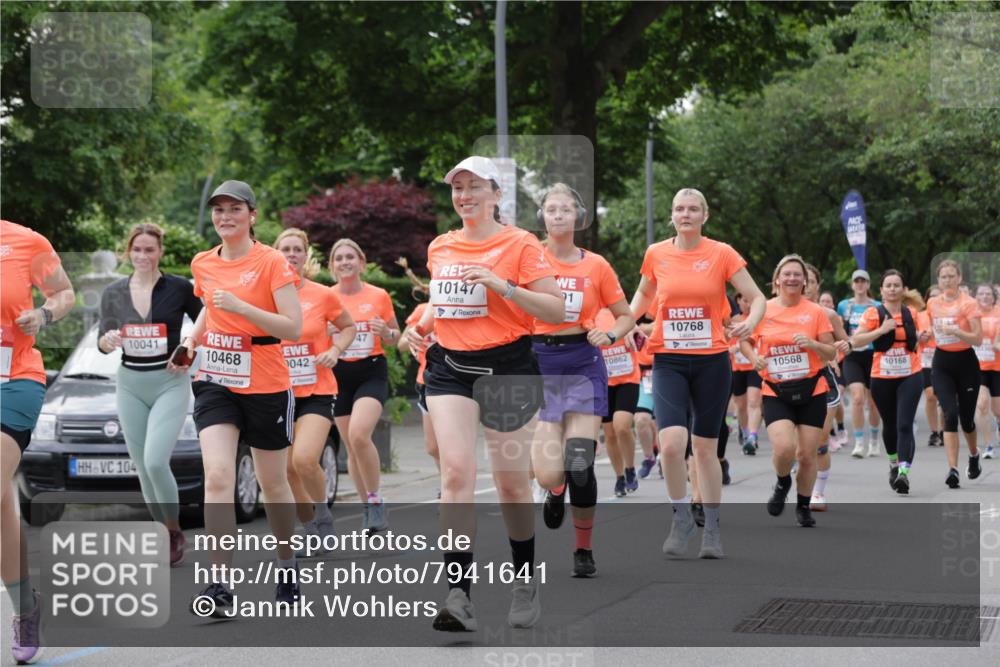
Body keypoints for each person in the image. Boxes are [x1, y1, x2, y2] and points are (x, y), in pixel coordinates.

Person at [402, 156, 563, 631]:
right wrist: (421, 326)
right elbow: (443, 298)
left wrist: (505, 287)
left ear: (496, 194)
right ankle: (458, 595)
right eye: (458, 188)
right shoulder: (441, 246)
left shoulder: (521, 244)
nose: (464, 196)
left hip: (508, 368)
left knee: (511, 482)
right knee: (455, 472)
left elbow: (554, 309)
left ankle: (523, 579)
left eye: (474, 187)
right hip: (449, 367)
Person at [179, 180, 304, 615]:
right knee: (217, 476)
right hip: (216, 378)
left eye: (235, 209)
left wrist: (243, 307)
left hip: (267, 381)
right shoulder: (202, 262)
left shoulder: (271, 262)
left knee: (273, 483)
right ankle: (220, 584)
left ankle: (287, 565)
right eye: (218, 210)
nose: (225, 217)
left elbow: (293, 326)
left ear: (252, 215)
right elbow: (209, 311)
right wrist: (190, 344)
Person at [630, 188, 766, 559]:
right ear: (671, 215)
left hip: (711, 361)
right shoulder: (657, 253)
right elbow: (643, 295)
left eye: (693, 209)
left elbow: (757, 298)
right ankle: (680, 517)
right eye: (679, 209)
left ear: (704, 216)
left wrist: (748, 324)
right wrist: (628, 321)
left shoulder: (721, 253)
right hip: (669, 360)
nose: (685, 214)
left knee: (705, 450)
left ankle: (712, 527)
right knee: (672, 445)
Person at [529, 183, 635, 579]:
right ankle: (555, 493)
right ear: (543, 217)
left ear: (578, 216)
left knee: (579, 462)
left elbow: (624, 315)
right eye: (551, 209)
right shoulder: (528, 261)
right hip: (539, 364)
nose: (558, 214)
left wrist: (610, 334)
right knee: (549, 474)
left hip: (582, 362)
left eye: (565, 209)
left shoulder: (596, 266)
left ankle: (583, 549)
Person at [98, 223, 203, 566]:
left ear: (160, 252)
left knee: (157, 461)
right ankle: (162, 532)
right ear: (128, 252)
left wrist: (188, 347)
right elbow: (101, 340)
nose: (143, 256)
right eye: (137, 250)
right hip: (130, 383)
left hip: (169, 382)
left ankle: (173, 530)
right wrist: (109, 340)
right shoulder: (113, 292)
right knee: (143, 468)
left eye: (150, 249)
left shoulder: (178, 287)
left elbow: (206, 321)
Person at [1, 220, 75, 663]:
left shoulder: (26, 242)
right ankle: (26, 608)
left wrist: (44, 314)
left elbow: (64, 293)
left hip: (15, 381)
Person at [273, 228, 356, 556]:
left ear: (305, 256)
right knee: (289, 468)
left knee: (306, 458)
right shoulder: (267, 296)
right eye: (285, 249)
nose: (291, 255)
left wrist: (335, 350)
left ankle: (323, 517)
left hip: (317, 389)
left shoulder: (322, 294)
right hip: (279, 392)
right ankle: (309, 528)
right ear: (275, 255)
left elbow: (349, 327)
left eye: (297, 249)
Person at [741, 255, 835, 527]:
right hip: (776, 390)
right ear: (777, 280)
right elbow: (745, 341)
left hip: (812, 390)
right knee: (784, 449)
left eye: (797, 274)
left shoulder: (815, 312)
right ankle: (783, 483)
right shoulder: (764, 310)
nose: (792, 278)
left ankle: (803, 506)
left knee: (807, 455)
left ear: (805, 281)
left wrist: (813, 345)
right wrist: (753, 358)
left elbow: (830, 352)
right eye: (787, 274)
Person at [329, 238, 399, 532]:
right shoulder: (326, 297)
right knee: (351, 445)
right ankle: (369, 510)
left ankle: (374, 500)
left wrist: (386, 331)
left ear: (361, 262)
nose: (345, 262)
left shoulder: (379, 295)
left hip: (371, 371)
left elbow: (397, 336)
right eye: (339, 258)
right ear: (332, 266)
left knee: (359, 435)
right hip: (338, 375)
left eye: (350, 257)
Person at [850, 270, 924, 494]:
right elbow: (856, 339)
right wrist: (881, 330)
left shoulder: (911, 313)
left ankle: (903, 473)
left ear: (903, 290)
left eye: (896, 285)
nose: (892, 289)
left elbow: (917, 337)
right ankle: (893, 462)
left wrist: (922, 338)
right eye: (888, 285)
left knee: (904, 423)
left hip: (910, 373)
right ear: (881, 290)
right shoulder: (874, 313)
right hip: (882, 376)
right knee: (890, 424)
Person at [926, 259, 983, 488]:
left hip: (966, 363)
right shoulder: (932, 303)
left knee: (966, 419)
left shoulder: (968, 303)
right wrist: (926, 334)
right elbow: (933, 330)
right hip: (942, 363)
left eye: (951, 276)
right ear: (938, 280)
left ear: (959, 278)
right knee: (950, 413)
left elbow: (978, 339)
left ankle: (973, 455)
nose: (947, 280)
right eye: (943, 277)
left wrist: (958, 330)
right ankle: (953, 469)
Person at [803, 264, 850, 511]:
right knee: (798, 445)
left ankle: (818, 493)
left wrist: (835, 356)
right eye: (803, 280)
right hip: (788, 382)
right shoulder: (779, 311)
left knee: (820, 439)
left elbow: (845, 342)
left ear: (817, 286)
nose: (806, 286)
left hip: (822, 378)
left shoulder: (828, 314)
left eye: (811, 281)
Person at [397, 261, 440, 477]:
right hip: (425, 379)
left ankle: (450, 490)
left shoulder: (455, 310)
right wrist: (415, 335)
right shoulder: (422, 311)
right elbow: (402, 344)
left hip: (452, 380)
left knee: (452, 444)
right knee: (432, 447)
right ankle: (448, 484)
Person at [597, 307, 642, 499]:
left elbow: (639, 334)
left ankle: (630, 467)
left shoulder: (622, 312)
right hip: (603, 380)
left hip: (627, 378)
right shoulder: (589, 314)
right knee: (609, 434)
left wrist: (635, 333)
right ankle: (619, 476)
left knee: (621, 426)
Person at [837, 270, 882, 458]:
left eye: (864, 281)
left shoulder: (878, 306)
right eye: (857, 281)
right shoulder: (844, 306)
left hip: (873, 355)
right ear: (852, 284)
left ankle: (873, 440)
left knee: (873, 402)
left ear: (869, 284)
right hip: (853, 355)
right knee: (857, 398)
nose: (860, 284)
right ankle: (859, 442)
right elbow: (838, 329)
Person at [730, 292, 763, 456]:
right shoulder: (733, 322)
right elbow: (725, 341)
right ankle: (744, 430)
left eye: (751, 301)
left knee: (754, 401)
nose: (749, 304)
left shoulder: (760, 320)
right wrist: (733, 348)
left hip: (755, 367)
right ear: (738, 302)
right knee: (741, 406)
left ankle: (752, 436)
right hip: (737, 368)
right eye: (745, 301)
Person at [973, 283, 1000, 459]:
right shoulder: (970, 314)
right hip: (977, 367)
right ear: (976, 296)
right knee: (982, 405)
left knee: (998, 410)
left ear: (994, 297)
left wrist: (997, 344)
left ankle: (998, 421)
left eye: (988, 294)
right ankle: (989, 445)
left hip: (997, 366)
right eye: (981, 294)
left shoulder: (998, 313)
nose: (984, 297)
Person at [819, 290, 848, 448]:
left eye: (828, 301)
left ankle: (841, 427)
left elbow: (845, 342)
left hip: (838, 362)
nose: (824, 304)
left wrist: (834, 355)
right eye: (822, 301)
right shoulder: (809, 313)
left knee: (839, 395)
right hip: (820, 365)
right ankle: (829, 434)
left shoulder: (835, 318)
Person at [919, 286, 944, 447]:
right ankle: (934, 432)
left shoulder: (948, 316)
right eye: (931, 297)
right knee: (930, 395)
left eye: (937, 297)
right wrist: (922, 337)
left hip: (943, 359)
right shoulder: (920, 316)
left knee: (943, 397)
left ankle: (944, 431)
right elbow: (913, 336)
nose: (934, 300)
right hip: (925, 360)